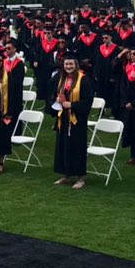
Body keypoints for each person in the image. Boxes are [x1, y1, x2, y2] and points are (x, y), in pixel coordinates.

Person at [47, 52, 93, 189]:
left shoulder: (83, 80)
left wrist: (72, 105)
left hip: (77, 120)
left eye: (71, 64)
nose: (68, 66)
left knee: (77, 146)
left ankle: (80, 177)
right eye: (66, 64)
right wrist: (55, 101)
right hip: (63, 118)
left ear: (76, 65)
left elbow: (88, 100)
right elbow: (51, 93)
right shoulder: (59, 78)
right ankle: (66, 175)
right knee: (63, 145)